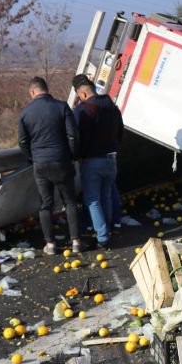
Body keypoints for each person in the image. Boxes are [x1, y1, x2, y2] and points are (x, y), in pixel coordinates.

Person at [17, 77, 83, 255]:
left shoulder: (25, 113)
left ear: (32, 92)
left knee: (46, 204)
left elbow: (23, 141)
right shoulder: (61, 107)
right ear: (47, 89)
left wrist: (32, 157)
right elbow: (72, 134)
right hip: (62, 161)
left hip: (40, 163)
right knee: (69, 201)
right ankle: (76, 241)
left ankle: (51, 244)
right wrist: (73, 155)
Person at [72, 75, 124, 247]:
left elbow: (79, 138)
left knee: (93, 200)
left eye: (79, 96)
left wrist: (78, 155)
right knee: (106, 196)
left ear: (84, 94)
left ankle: (102, 237)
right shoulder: (113, 108)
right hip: (111, 159)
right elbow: (120, 133)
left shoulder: (85, 110)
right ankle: (106, 230)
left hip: (92, 161)